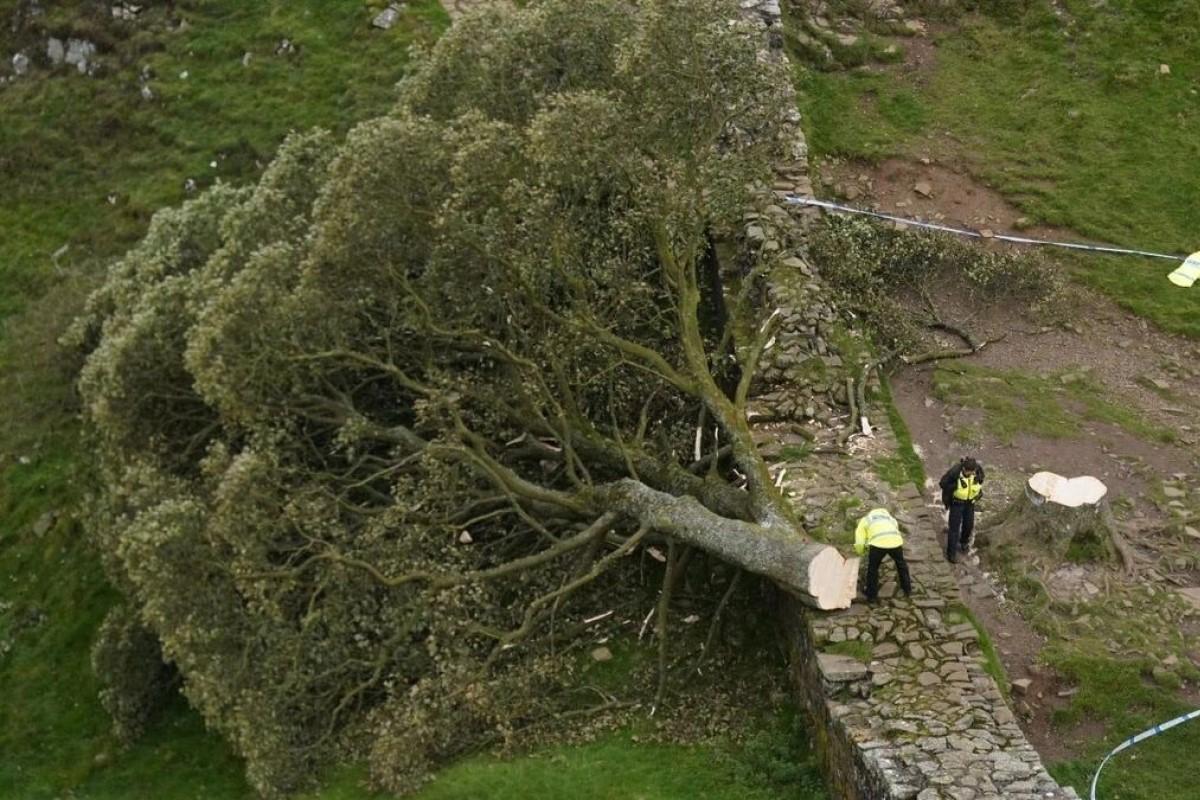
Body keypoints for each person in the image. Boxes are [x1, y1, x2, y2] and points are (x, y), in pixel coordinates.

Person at [853, 507, 912, 604]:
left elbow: (859, 541)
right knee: (901, 565)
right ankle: (907, 589)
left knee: (873, 568)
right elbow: (896, 529)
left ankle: (871, 595)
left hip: (877, 544)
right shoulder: (890, 518)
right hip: (895, 542)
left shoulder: (866, 519)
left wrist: (861, 551)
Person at [939, 456, 985, 563]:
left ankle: (963, 542)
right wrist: (954, 486)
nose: (970, 474)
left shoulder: (977, 470)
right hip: (957, 503)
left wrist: (978, 492)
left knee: (968, 525)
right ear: (963, 469)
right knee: (954, 528)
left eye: (972, 472)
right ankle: (951, 553)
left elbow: (981, 478)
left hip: (970, 503)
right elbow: (943, 483)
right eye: (968, 472)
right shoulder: (954, 472)